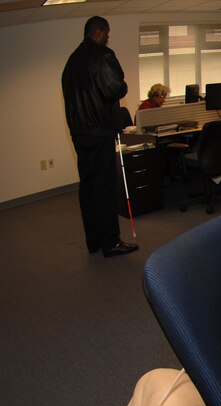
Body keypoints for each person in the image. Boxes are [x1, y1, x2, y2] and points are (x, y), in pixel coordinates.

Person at [62, 16, 138, 257]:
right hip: (99, 132)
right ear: (98, 32)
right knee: (104, 187)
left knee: (88, 187)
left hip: (78, 132)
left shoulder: (71, 61)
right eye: (107, 33)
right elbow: (116, 88)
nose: (108, 38)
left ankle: (94, 240)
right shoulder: (102, 55)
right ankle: (111, 242)